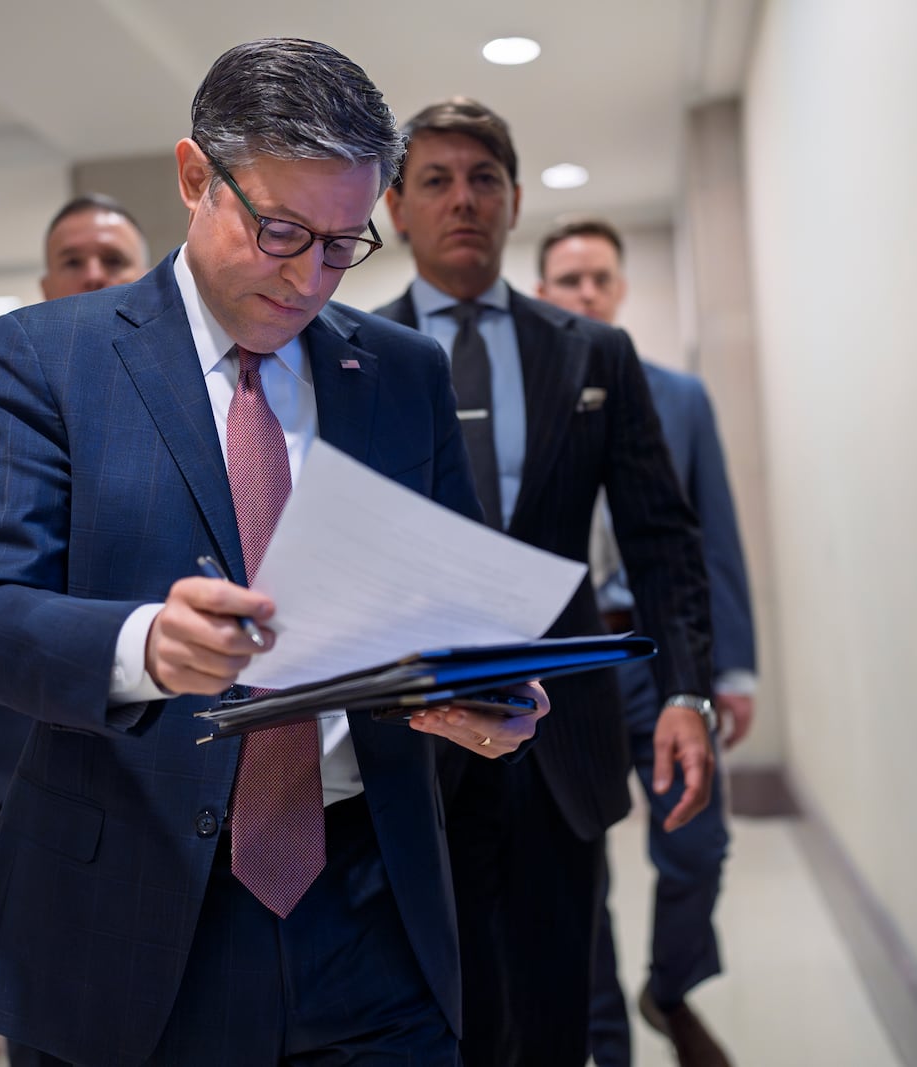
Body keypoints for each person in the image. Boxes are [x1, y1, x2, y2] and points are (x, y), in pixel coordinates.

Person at [0, 40, 548, 1066]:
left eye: (343, 243)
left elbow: (451, 598)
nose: (309, 275)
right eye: (279, 230)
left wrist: (484, 690)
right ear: (192, 177)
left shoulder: (399, 372)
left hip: (372, 911)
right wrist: (145, 647)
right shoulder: (53, 356)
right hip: (129, 919)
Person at [375, 98, 717, 1067]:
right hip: (418, 730)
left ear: (515, 199)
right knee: (446, 1010)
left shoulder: (590, 350)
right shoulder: (349, 353)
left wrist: (686, 687)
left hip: (564, 729)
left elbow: (660, 538)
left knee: (560, 1001)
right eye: (434, 181)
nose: (462, 200)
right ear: (396, 207)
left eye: (483, 179)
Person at [539, 218, 756, 1067]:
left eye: (600, 278)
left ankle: (669, 987)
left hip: (658, 653)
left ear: (620, 288)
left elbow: (714, 541)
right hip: (565, 661)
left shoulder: (679, 397)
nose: (587, 293)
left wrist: (729, 668)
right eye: (569, 280)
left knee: (697, 841)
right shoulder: (529, 399)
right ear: (545, 292)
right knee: (577, 868)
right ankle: (605, 1044)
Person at [0, 195, 150, 863]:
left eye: (113, 259)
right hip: (22, 749)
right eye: (72, 261)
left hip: (155, 753)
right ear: (47, 284)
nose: (93, 274)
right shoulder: (9, 402)